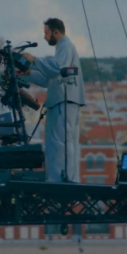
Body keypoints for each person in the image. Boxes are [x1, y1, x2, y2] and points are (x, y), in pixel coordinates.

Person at [21, 18, 84, 182]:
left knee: (59, 142)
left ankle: (60, 180)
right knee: (62, 141)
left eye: (46, 33)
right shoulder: (63, 49)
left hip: (63, 100)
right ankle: (67, 178)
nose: (44, 37)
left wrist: (34, 59)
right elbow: (49, 79)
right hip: (62, 100)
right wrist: (29, 73)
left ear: (55, 32)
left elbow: (56, 69)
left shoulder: (65, 46)